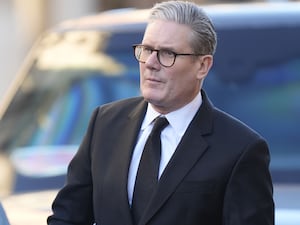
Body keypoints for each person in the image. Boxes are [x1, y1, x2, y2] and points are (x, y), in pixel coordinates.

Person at [47, 1, 274, 225]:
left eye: (167, 53)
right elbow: (68, 218)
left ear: (202, 66)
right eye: (146, 50)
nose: (151, 63)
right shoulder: (105, 123)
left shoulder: (241, 149)